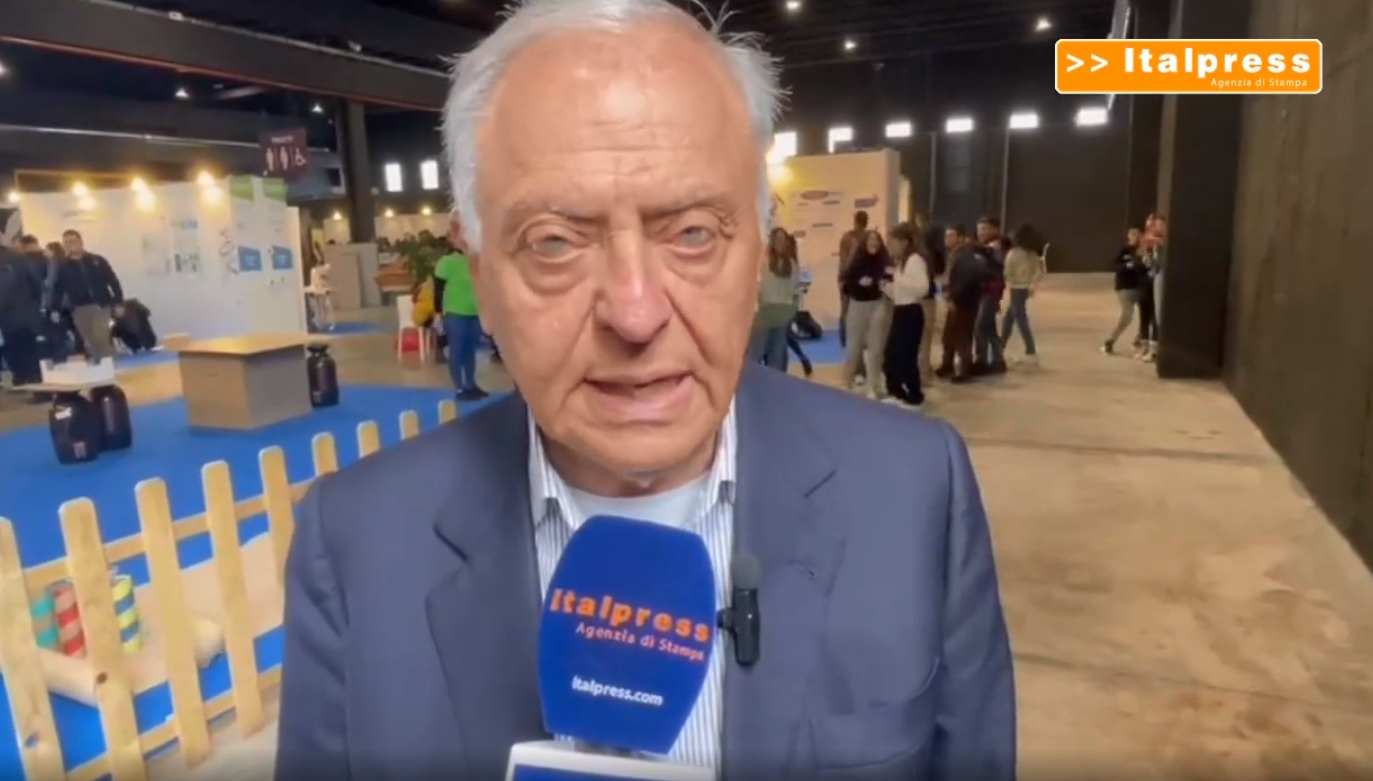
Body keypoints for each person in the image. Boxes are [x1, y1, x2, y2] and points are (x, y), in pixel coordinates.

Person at [275, 3, 1014, 780]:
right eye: (554, 242)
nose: (634, 313)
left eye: (692, 233)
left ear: (757, 256)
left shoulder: (914, 491)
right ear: (482, 279)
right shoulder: (356, 542)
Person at [432, 226, 488, 400]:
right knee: (457, 351)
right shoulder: (446, 262)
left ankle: (470, 385)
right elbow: (438, 290)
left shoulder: (477, 260)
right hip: (455, 313)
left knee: (470, 351)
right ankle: (459, 388)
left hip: (475, 312)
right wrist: (437, 313)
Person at [51, 229, 122, 363]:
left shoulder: (97, 261)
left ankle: (110, 365)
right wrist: (55, 308)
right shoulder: (62, 267)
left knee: (100, 336)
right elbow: (57, 289)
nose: (70, 245)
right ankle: (100, 365)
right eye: (66, 242)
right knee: (89, 340)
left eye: (73, 241)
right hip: (79, 309)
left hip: (100, 305)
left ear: (80, 242)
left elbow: (113, 281)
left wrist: (118, 302)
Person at [839, 230, 894, 397]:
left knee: (876, 347)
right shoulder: (856, 262)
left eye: (877, 240)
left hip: (878, 304)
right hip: (857, 306)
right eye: (871, 239)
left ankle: (873, 385)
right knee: (853, 347)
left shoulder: (885, 261)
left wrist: (884, 282)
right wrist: (858, 283)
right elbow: (846, 285)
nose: (874, 243)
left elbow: (891, 280)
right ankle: (847, 382)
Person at [882, 221, 930, 409]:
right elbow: (900, 293)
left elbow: (922, 288)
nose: (889, 247)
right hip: (901, 310)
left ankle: (913, 396)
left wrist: (898, 277)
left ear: (903, 242)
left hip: (911, 312)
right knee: (892, 354)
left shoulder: (914, 260)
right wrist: (886, 287)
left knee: (905, 356)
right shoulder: (901, 262)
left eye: (892, 242)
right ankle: (897, 392)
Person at [936, 224, 985, 383]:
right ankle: (947, 364)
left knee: (962, 336)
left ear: (961, 238)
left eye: (951, 236)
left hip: (963, 302)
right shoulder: (955, 254)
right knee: (949, 335)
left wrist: (954, 297)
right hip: (957, 299)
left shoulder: (965, 255)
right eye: (946, 236)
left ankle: (964, 369)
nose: (947, 239)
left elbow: (965, 280)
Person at [749, 226, 799, 372]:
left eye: (783, 240)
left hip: (781, 315)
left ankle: (774, 383)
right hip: (764, 314)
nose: (780, 243)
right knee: (756, 354)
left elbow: (794, 289)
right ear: (772, 241)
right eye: (777, 239)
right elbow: (756, 286)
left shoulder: (792, 265)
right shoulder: (762, 262)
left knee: (777, 355)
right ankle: (752, 382)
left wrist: (791, 310)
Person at [999, 224, 1046, 365]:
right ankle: (1001, 346)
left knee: (1020, 319)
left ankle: (1030, 350)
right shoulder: (1032, 254)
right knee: (1010, 317)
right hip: (1025, 288)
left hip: (1016, 288)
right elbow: (1038, 271)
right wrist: (1031, 284)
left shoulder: (1013, 253)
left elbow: (1007, 272)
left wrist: (1008, 281)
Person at [0, 245, 44, 388]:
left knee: (13, 346)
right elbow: (36, 283)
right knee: (28, 345)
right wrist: (35, 303)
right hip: (26, 311)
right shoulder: (19, 258)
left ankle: (21, 377)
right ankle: (32, 377)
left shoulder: (9, 260)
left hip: (8, 314)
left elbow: (4, 290)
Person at [972, 216, 1007, 375]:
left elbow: (997, 263)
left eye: (985, 229)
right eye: (979, 229)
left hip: (990, 292)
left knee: (980, 325)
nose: (981, 232)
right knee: (989, 327)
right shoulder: (985, 247)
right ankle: (997, 361)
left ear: (995, 230)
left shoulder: (996, 247)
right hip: (983, 291)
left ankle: (982, 360)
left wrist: (985, 252)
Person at [1102, 227, 1145, 355]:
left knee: (1146, 315)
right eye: (1133, 234)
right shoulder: (1124, 251)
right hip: (1125, 288)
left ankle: (1140, 339)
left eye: (1138, 234)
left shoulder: (1143, 251)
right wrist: (1127, 266)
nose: (1136, 237)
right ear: (1128, 236)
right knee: (1127, 316)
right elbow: (1113, 265)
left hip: (1140, 288)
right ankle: (1110, 341)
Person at [836, 209, 868, 352]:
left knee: (850, 309)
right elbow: (844, 261)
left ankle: (851, 339)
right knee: (846, 308)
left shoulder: (863, 238)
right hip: (849, 277)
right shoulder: (849, 238)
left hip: (856, 277)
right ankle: (846, 339)